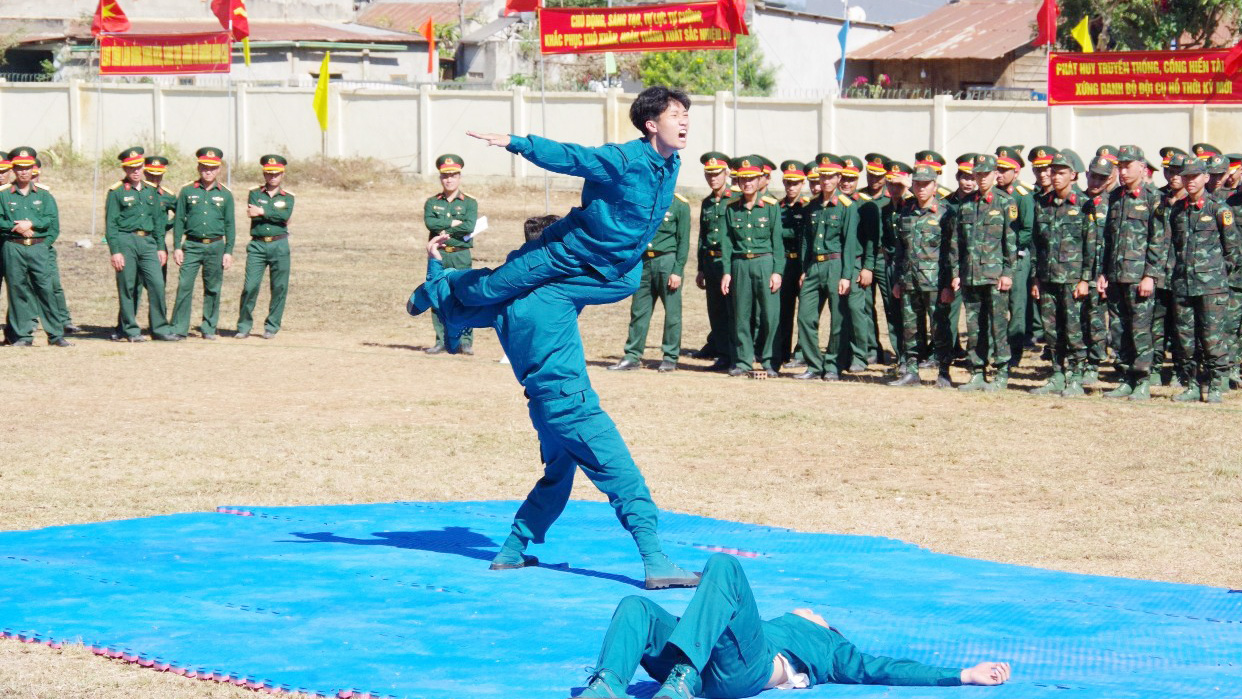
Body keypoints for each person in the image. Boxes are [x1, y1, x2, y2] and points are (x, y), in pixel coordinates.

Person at [408, 86, 699, 589]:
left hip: (540, 405)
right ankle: (655, 562)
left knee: (557, 476)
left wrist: (434, 274)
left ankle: (512, 549)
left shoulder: (506, 303)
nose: (686, 120)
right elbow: (574, 159)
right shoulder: (562, 289)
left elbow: (463, 308)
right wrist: (517, 143)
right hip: (569, 402)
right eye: (677, 114)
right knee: (622, 478)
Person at [573, 553, 1012, 699]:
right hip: (708, 658)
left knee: (725, 567)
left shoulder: (835, 650)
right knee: (636, 606)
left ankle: (684, 679)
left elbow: (885, 668)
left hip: (741, 671)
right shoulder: (774, 622)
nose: (814, 611)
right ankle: (608, 685)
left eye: (821, 615)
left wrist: (961, 675)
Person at [1165, 157, 1241, 402]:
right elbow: (1173, 247)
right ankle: (1192, 386)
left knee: (1213, 339)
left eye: (1194, 176)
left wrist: (1216, 276)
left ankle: (1216, 385)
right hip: (1183, 287)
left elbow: (1233, 251)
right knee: (1186, 341)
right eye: (1186, 176)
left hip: (1212, 289)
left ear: (1206, 178)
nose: (1189, 181)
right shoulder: (1177, 210)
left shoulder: (1219, 210)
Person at [1100, 145, 1166, 400]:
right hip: (1116, 276)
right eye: (1120, 166)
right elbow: (1107, 240)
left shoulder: (1153, 198)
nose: (1123, 171)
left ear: (1142, 167)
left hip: (1139, 278)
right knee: (1119, 331)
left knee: (1140, 330)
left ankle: (1143, 380)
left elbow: (1158, 240)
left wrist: (1150, 274)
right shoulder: (1115, 197)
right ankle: (1126, 377)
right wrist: (1102, 273)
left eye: (1128, 166)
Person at [1029, 151, 1096, 397]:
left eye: (1061, 172)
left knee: (1074, 331)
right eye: (1052, 172)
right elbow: (1037, 244)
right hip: (1047, 279)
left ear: (1073, 175)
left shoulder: (1084, 204)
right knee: (1052, 331)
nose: (1054, 177)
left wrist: (1085, 279)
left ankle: (1076, 377)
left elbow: (1092, 245)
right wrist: (1035, 277)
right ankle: (1057, 374)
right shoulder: (1043, 203)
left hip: (1072, 279)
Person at [951, 154, 1017, 392]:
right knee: (974, 328)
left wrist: (1008, 272)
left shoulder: (1005, 203)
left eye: (985, 174)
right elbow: (957, 242)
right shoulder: (966, 204)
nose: (980, 178)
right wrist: (957, 271)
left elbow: (1011, 242)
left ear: (994, 174)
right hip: (970, 276)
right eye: (977, 174)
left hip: (995, 276)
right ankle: (977, 372)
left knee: (998, 326)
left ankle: (1001, 373)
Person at [793, 155, 859, 382]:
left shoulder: (846, 207)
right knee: (805, 317)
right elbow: (806, 241)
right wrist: (804, 268)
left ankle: (833, 365)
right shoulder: (812, 206)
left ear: (839, 178)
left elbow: (850, 243)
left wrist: (847, 275)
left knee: (838, 319)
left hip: (836, 263)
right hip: (814, 266)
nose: (826, 181)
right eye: (823, 176)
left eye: (831, 176)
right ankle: (813, 364)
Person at [104, 146, 178, 342]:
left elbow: (159, 223)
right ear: (125, 170)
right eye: (131, 168)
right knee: (127, 286)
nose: (136, 171)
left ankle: (160, 328)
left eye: (138, 167)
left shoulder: (151, 191)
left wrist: (161, 246)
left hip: (148, 242)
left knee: (157, 283)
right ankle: (130, 330)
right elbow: (110, 224)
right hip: (125, 240)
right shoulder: (116, 192)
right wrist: (115, 251)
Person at [889, 164, 954, 388]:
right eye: (917, 184)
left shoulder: (946, 212)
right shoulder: (906, 211)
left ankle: (944, 372)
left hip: (935, 282)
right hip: (909, 281)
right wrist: (898, 279)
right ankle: (912, 372)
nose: (921, 188)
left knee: (940, 329)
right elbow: (900, 249)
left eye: (926, 184)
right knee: (910, 328)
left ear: (935, 186)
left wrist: (948, 285)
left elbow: (951, 251)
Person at [611, 191, 690, 372]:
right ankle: (632, 355)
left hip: (667, 261)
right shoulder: (642, 199)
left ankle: (670, 356)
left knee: (672, 313)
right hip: (644, 261)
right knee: (639, 310)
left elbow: (683, 241)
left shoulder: (680, 204)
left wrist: (677, 270)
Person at [0, 147, 71, 347]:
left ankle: (55, 334)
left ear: (34, 169)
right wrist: (17, 228)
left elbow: (52, 221)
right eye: (19, 168)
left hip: (39, 247)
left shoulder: (44, 194)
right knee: (17, 290)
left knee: (46, 290)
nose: (23, 171)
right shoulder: (4, 194)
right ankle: (23, 336)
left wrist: (32, 226)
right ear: (13, 170)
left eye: (27, 168)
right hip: (14, 247)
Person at [721, 157, 782, 377]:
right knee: (741, 314)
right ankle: (743, 360)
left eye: (752, 178)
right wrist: (727, 272)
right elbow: (727, 243)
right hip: (740, 265)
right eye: (743, 179)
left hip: (764, 262)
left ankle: (769, 360)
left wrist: (777, 271)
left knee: (770, 314)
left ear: (760, 180)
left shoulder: (771, 207)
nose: (747, 183)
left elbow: (778, 242)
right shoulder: (731, 209)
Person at [171, 147, 235, 340]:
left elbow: (230, 224)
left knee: (213, 288)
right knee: (184, 286)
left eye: (212, 168)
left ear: (218, 169)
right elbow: (179, 220)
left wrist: (228, 250)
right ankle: (179, 328)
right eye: (205, 167)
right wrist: (176, 247)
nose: (208, 171)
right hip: (191, 246)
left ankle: (208, 327)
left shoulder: (225, 194)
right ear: (198, 167)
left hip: (216, 246)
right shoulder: (187, 191)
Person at [423, 153, 477, 354]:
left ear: (459, 177)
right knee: (436, 295)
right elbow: (430, 222)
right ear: (440, 178)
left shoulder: (469, 203)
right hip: (439, 255)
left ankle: (465, 341)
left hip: (461, 255)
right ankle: (441, 340)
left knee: (464, 295)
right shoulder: (432, 202)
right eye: (445, 176)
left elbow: (470, 225)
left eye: (453, 175)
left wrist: (445, 230)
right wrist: (453, 224)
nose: (449, 179)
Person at [236, 155, 295, 340]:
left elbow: (285, 216)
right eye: (269, 173)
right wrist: (275, 214)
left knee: (279, 287)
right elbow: (253, 214)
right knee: (250, 286)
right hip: (258, 245)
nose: (272, 177)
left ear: (282, 174)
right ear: (264, 173)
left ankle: (272, 326)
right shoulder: (255, 193)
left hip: (280, 244)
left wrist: (262, 211)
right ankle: (244, 325)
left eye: (276, 173)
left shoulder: (289, 197)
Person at [694, 152, 735, 371]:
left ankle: (734, 353)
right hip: (711, 262)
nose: (713, 178)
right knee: (716, 309)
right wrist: (700, 267)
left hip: (728, 261)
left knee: (732, 309)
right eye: (709, 174)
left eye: (717, 174)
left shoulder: (735, 198)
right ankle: (722, 353)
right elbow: (703, 235)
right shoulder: (707, 202)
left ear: (726, 173)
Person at [773, 160, 809, 369]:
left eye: (795, 183)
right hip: (785, 262)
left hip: (801, 263)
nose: (791, 187)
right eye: (788, 183)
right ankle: (783, 350)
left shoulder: (806, 207)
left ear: (802, 184)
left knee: (805, 311)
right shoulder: (778, 207)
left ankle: (802, 351)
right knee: (784, 310)